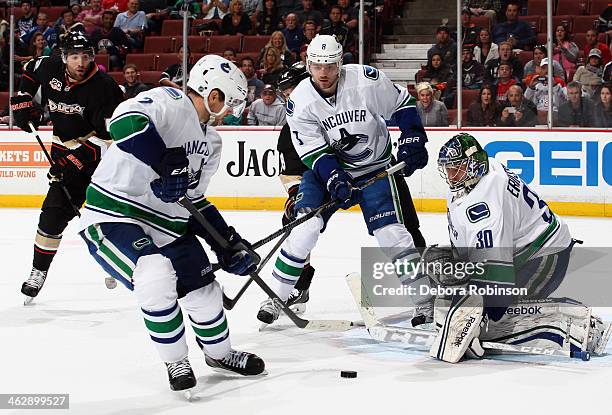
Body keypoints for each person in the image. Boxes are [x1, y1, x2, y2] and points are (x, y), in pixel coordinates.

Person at [78, 55, 265, 391]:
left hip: (168, 224)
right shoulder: (170, 101)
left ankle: (220, 354)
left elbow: (193, 199)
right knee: (155, 275)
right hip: (114, 215)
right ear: (214, 94)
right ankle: (176, 360)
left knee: (206, 292)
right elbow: (122, 122)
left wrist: (226, 243)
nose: (236, 111)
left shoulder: (212, 142)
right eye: (233, 101)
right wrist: (164, 161)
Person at [256, 35, 430, 326]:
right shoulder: (299, 102)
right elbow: (314, 152)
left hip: (374, 168)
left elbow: (402, 103)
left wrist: (413, 138)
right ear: (309, 65)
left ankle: (425, 301)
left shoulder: (366, 80)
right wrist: (335, 178)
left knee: (392, 234)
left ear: (340, 63)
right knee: (305, 229)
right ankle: (277, 295)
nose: (323, 73)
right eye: (317, 66)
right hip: (327, 170)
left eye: (330, 65)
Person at [430, 133, 609, 363]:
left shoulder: (484, 203)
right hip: (524, 251)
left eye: (456, 168)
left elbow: (496, 277)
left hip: (545, 256)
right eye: (448, 168)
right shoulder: (484, 170)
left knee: (496, 317)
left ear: (473, 164)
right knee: (441, 265)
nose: (451, 175)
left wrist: (480, 316)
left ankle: (576, 325)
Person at [9, 33, 124, 303]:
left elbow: (110, 137)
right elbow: (28, 70)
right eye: (74, 56)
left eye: (85, 56)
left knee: (111, 216)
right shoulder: (49, 66)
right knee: (52, 216)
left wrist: (76, 161)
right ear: (64, 57)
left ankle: (125, 263)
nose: (80, 62)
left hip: (104, 161)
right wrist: (24, 99)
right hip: (63, 152)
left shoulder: (106, 88)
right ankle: (38, 272)